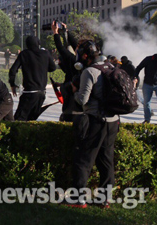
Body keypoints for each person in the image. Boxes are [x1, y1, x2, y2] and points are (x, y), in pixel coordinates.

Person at [70, 40, 120, 207]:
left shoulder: (89, 71)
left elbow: (83, 100)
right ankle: (105, 198)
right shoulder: (110, 68)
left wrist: (74, 92)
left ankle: (78, 198)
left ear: (85, 56)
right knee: (106, 160)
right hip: (113, 121)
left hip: (96, 120)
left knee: (84, 159)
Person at [8, 35, 56, 121]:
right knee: (31, 120)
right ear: (38, 43)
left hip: (29, 92)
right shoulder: (45, 53)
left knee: (19, 119)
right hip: (41, 93)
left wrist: (12, 84)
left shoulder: (24, 54)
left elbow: (13, 70)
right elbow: (53, 68)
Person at [52, 21, 81, 122]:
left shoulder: (73, 60)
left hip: (71, 104)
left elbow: (61, 48)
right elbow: (77, 46)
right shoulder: (85, 62)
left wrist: (55, 33)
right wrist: (67, 32)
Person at [133, 54, 157, 124]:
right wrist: (135, 77)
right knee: (146, 103)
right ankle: (147, 120)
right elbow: (138, 67)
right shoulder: (148, 59)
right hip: (147, 84)